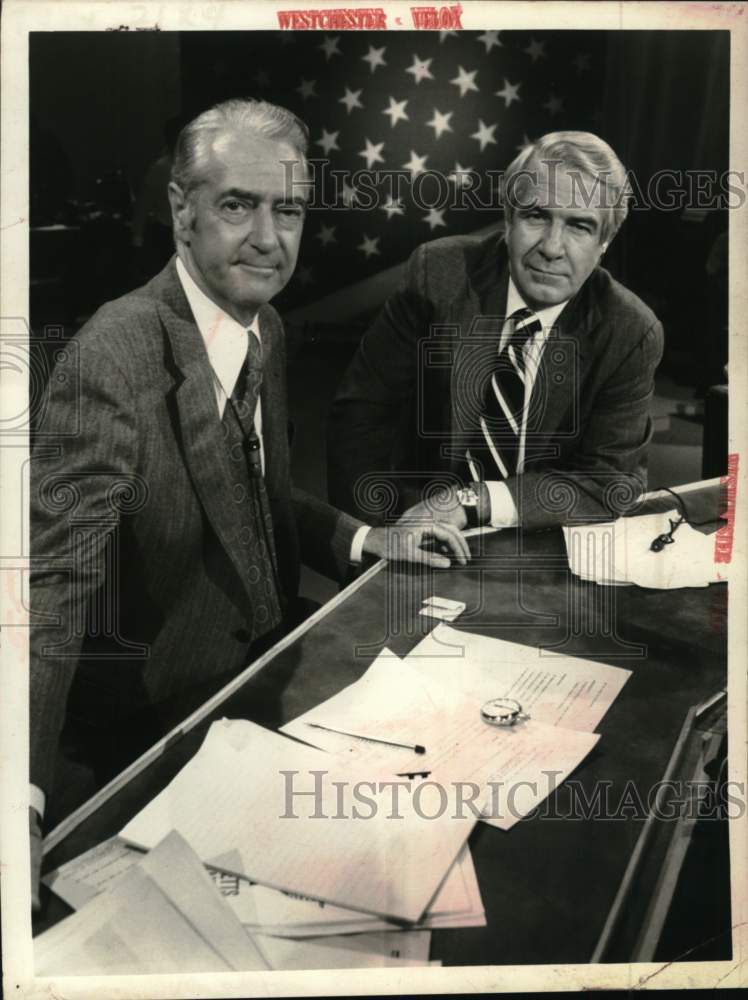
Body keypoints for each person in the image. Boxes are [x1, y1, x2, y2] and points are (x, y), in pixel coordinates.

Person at [29, 99, 469, 909]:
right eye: (238, 205)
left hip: (267, 671)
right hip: (156, 726)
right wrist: (16, 799)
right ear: (182, 210)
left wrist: (366, 540)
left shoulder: (264, 325)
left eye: (288, 210)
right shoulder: (112, 357)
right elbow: (47, 595)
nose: (268, 238)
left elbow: (254, 491)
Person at [327, 131, 664, 533]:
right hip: (412, 523)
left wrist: (474, 501)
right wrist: (377, 541)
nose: (552, 248)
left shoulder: (629, 330)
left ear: (605, 241)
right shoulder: (439, 274)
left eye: (579, 226)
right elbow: (361, 417)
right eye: (536, 216)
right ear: (508, 220)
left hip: (537, 535)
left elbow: (609, 482)